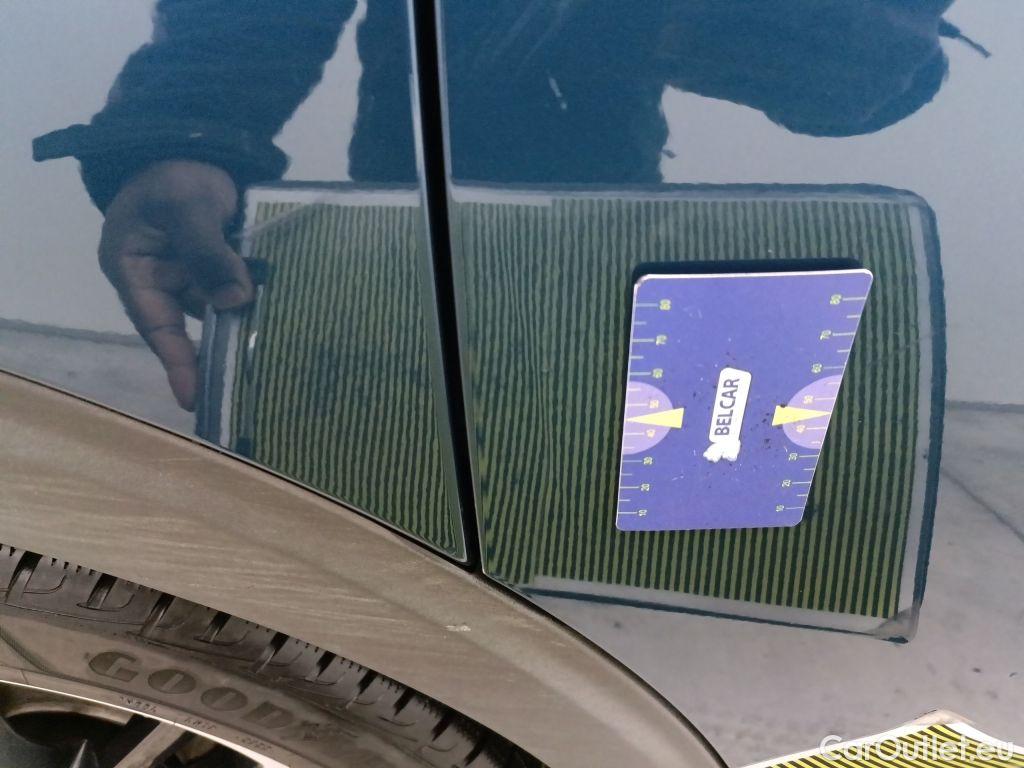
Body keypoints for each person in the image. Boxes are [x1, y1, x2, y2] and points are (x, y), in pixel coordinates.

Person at [32, 0, 982, 410]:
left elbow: (863, 82)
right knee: (419, 402)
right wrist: (189, 124)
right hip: (449, 112)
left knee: (555, 392)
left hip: (555, 124)